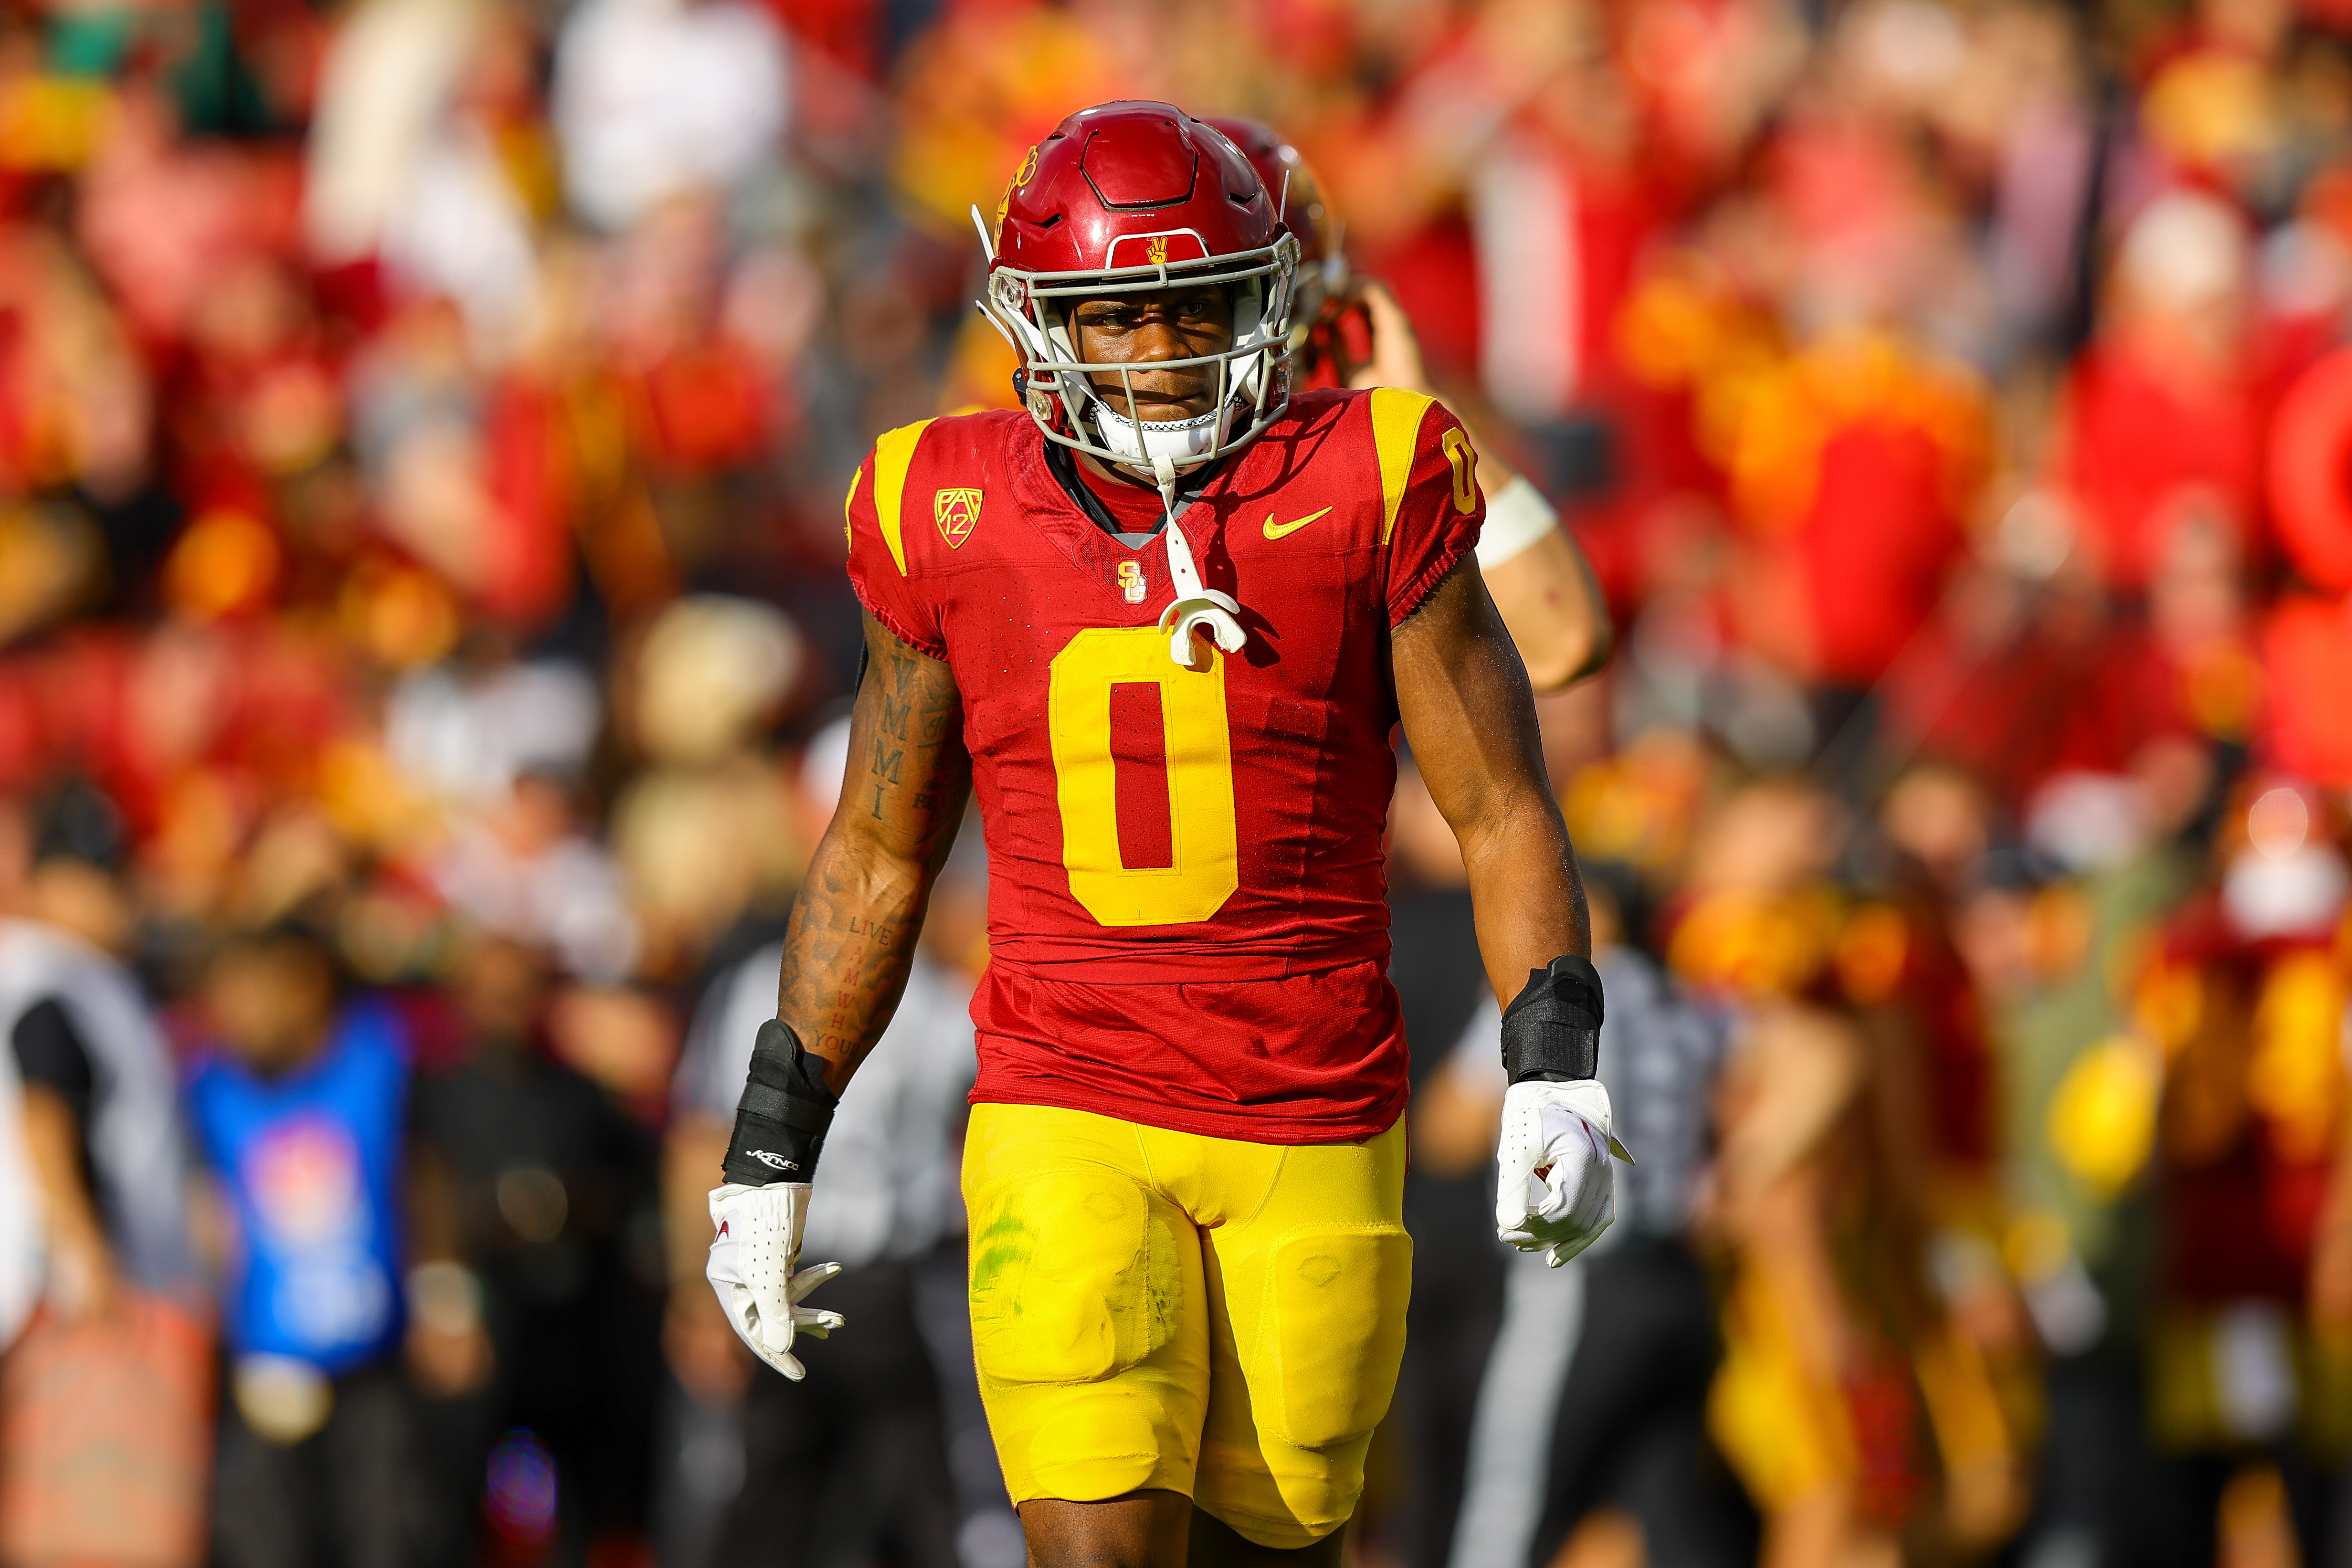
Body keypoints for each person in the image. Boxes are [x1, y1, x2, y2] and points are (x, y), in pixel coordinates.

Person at [700, 101, 1617, 1566]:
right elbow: (876, 852)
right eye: (1117, 315)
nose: (1161, 353)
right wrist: (770, 1140)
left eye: (1195, 310)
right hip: (1065, 1097)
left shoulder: (1371, 466)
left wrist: (1553, 1062)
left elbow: (1505, 794)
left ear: (1271, 297)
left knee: (1294, 1539)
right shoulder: (942, 501)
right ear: (1039, 322)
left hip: (1311, 1105)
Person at [1203, 116, 1612, 695]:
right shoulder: (1050, 489)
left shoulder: (1342, 470)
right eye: (1130, 312)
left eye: (1223, 305)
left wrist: (1427, 415)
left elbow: (1562, 642)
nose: (1169, 349)